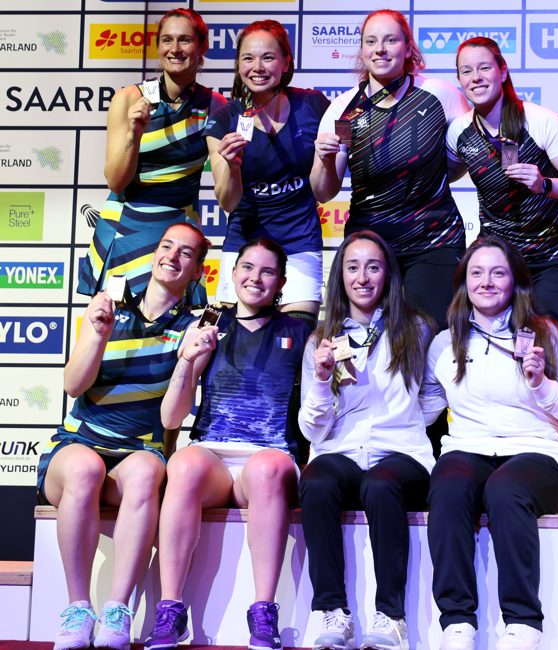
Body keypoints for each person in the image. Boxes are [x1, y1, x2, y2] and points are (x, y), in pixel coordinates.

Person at [37, 223, 210, 650]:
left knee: (148, 473)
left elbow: (172, 418)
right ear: (153, 256)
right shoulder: (108, 307)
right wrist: (97, 335)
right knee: (84, 468)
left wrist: (187, 362)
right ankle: (78, 608)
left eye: (185, 253)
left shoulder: (194, 329)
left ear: (197, 271)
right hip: (79, 442)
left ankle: (118, 609)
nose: (172, 256)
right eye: (167, 246)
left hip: (139, 448)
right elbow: (74, 385)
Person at [142, 239, 311, 650]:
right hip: (214, 454)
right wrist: (187, 360)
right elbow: (170, 419)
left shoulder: (301, 330)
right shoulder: (208, 324)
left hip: (271, 456)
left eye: (267, 271)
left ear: (281, 282)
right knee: (182, 464)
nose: (255, 278)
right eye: (247, 268)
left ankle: (263, 611)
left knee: (268, 469)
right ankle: (170, 609)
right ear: (232, 274)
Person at [425, 236, 558, 650]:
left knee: (506, 488)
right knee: (447, 483)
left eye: (498, 272)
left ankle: (522, 624)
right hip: (469, 447)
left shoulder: (544, 333)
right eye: (476, 273)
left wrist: (542, 385)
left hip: (537, 452)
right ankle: (457, 623)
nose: (487, 282)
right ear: (463, 283)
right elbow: (423, 408)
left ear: (515, 281)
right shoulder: (445, 343)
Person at [447, 36, 558, 467]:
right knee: (502, 361)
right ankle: (507, 461)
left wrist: (544, 184)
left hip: (556, 259)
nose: (475, 78)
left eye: (483, 68)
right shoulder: (460, 133)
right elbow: (448, 170)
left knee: (547, 357)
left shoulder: (540, 120)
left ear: (502, 70)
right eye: (466, 71)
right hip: (503, 266)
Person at [298, 230, 436, 650]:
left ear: (387, 274)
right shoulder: (320, 339)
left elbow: (435, 392)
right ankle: (332, 612)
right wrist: (322, 381)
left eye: (373, 267)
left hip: (401, 453)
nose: (362, 277)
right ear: (340, 276)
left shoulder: (417, 329)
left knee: (381, 483)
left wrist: (408, 417)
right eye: (352, 267)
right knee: (317, 481)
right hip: (340, 450)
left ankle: (391, 618)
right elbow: (312, 430)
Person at [309, 9, 469, 329]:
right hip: (371, 247)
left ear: (408, 48)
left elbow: (464, 159)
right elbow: (323, 191)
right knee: (368, 345)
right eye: (371, 41)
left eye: (390, 40)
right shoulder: (343, 110)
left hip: (434, 241)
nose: (380, 49)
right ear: (362, 50)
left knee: (428, 339)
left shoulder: (440, 94)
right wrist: (325, 159)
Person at [78, 8, 226, 307]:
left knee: (179, 335)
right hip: (125, 227)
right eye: (167, 40)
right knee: (112, 333)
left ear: (202, 48)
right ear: (157, 47)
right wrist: (134, 132)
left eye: (184, 40)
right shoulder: (130, 98)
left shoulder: (216, 104)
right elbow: (116, 180)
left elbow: (228, 192)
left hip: (179, 231)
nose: (174, 49)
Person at [205, 19, 330, 328]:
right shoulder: (224, 120)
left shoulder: (313, 105)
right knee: (237, 350)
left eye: (268, 57)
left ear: (286, 62)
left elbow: (324, 193)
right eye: (248, 58)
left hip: (300, 242)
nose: (257, 67)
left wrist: (326, 159)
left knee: (294, 345)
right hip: (244, 244)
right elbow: (227, 202)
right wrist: (233, 167)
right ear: (237, 65)